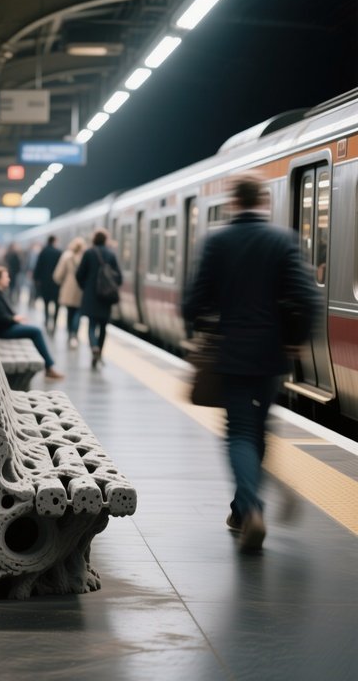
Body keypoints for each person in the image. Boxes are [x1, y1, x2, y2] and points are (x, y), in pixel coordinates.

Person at [183, 173, 317, 552]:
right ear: (263, 201)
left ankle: (252, 509)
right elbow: (307, 300)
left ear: (232, 203)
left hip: (231, 353)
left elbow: (193, 302)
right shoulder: (282, 241)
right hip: (272, 356)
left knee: (239, 432)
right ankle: (242, 510)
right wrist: (294, 341)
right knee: (258, 431)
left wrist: (199, 326)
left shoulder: (217, 242)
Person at [0, 265, 64, 380]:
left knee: (34, 331)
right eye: (6, 277)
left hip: (3, 329)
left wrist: (15, 318)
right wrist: (15, 319)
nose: (9, 279)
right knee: (36, 331)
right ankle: (49, 367)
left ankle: (49, 367)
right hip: (2, 331)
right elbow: (1, 318)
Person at [76, 228, 122, 369]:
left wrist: (86, 287)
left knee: (91, 325)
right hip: (105, 297)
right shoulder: (110, 254)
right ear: (105, 240)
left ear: (94, 239)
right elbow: (119, 277)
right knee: (103, 327)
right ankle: (100, 353)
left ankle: (94, 347)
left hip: (91, 296)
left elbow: (79, 274)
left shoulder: (88, 253)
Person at [53, 236, 85, 348]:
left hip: (68, 288)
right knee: (78, 313)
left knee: (69, 313)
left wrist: (62, 282)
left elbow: (58, 275)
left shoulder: (66, 256)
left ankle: (69, 335)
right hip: (81, 289)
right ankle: (74, 334)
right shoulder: (84, 257)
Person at [33, 236, 61, 333]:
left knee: (46, 303)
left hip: (45, 282)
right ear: (54, 241)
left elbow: (38, 266)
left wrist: (36, 279)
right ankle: (54, 323)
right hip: (56, 283)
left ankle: (46, 320)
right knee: (57, 304)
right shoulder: (59, 252)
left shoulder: (43, 252)